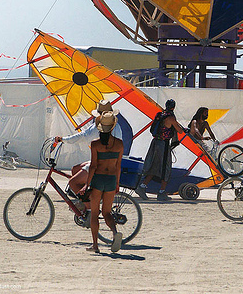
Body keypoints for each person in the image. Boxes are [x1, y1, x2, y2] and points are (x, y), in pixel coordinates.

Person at [78, 110, 124, 253]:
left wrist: (87, 184)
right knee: (107, 212)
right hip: (111, 180)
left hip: (98, 180)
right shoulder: (119, 144)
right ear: (112, 127)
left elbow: (93, 166)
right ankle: (115, 233)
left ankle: (95, 245)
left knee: (94, 213)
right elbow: (118, 166)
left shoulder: (96, 144)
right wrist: (117, 183)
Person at [135, 99, 185, 201]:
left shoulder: (161, 115)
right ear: (173, 107)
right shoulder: (170, 117)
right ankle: (161, 192)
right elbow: (179, 131)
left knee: (155, 166)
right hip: (164, 144)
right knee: (165, 168)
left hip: (155, 143)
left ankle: (143, 187)